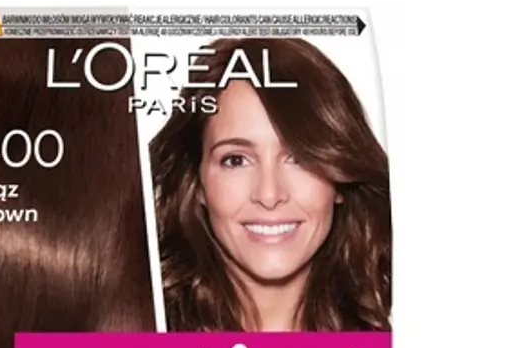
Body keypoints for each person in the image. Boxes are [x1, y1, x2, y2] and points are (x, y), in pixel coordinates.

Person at [151, 38, 391, 332]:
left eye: (299, 159)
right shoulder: (128, 341)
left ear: (339, 180)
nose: (269, 194)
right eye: (236, 160)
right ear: (197, 183)